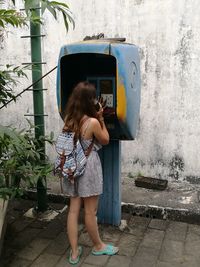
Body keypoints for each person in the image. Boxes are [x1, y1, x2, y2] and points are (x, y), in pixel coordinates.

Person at [62, 81, 119, 265]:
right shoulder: (92, 122)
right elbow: (105, 139)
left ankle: (73, 252)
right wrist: (101, 118)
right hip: (88, 167)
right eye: (93, 97)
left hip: (72, 167)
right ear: (89, 100)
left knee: (73, 211)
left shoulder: (69, 118)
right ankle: (98, 246)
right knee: (90, 211)